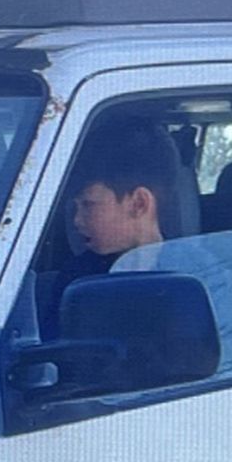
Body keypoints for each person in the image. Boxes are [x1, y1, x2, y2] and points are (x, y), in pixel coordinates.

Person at [36, 120, 184, 334]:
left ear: (138, 203)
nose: (76, 220)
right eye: (74, 207)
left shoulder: (197, 270)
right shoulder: (76, 277)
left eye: (88, 205)